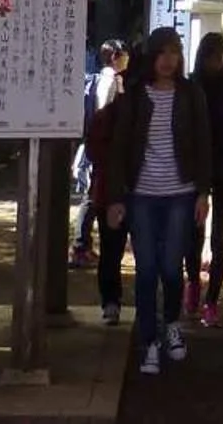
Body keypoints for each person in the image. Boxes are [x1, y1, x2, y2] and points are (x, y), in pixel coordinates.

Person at [106, 26, 213, 377]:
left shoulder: (190, 94)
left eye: (175, 52)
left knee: (171, 268)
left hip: (180, 193)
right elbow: (118, 147)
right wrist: (116, 198)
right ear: (151, 57)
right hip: (142, 195)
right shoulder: (135, 96)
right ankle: (149, 341)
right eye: (162, 53)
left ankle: (171, 325)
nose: (168, 60)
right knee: (147, 269)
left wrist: (202, 192)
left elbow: (203, 145)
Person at [187, 32, 223, 327]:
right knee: (193, 235)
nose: (215, 62)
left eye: (220, 56)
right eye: (210, 56)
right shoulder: (191, 87)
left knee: (219, 236)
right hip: (195, 172)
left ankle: (212, 301)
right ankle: (193, 283)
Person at [69, 40, 126, 267]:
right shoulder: (109, 80)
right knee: (91, 199)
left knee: (92, 198)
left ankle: (84, 245)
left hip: (95, 145)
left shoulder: (105, 78)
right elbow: (103, 114)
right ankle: (80, 246)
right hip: (99, 147)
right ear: (114, 56)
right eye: (123, 54)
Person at [82, 74, 132, 324]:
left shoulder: (147, 115)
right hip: (109, 192)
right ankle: (110, 301)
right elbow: (93, 150)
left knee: (112, 251)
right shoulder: (106, 117)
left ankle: (112, 302)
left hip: (134, 191)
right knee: (111, 251)